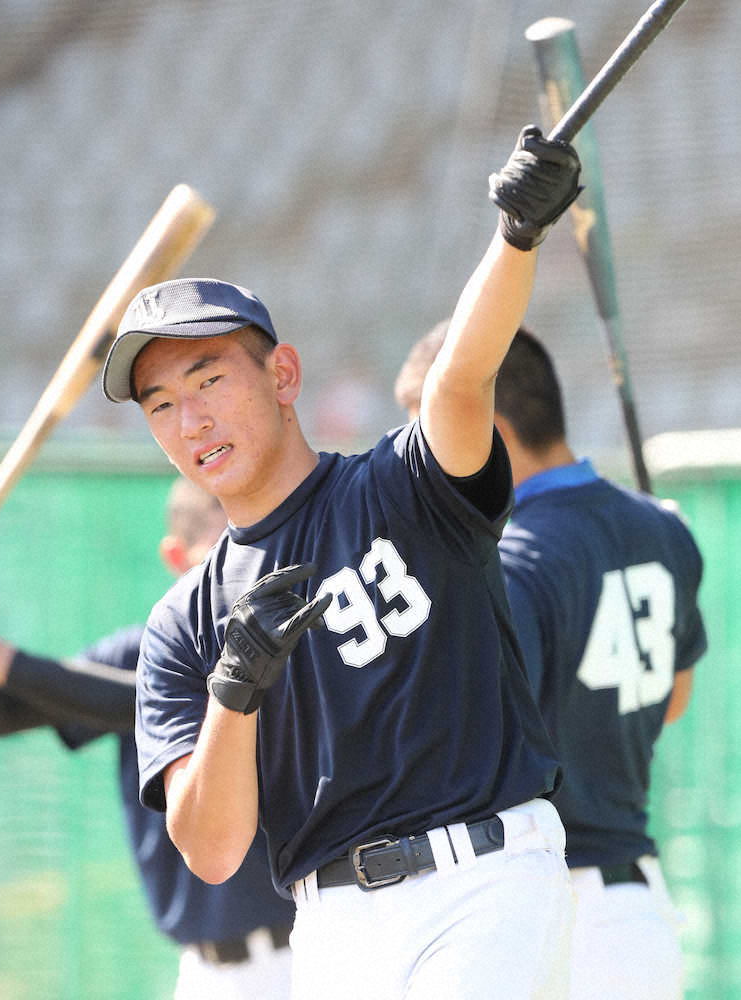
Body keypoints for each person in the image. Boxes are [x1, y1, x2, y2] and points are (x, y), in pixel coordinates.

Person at [101, 124, 582, 1000]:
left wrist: (517, 237)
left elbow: (460, 379)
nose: (190, 421)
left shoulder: (401, 484)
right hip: (327, 928)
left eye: (209, 380)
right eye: (161, 404)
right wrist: (234, 690)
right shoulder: (185, 624)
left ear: (282, 373)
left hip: (484, 881)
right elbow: (210, 851)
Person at [394, 323, 708, 1000]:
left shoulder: (507, 561)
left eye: (430, 443)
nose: (419, 474)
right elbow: (673, 699)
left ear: (491, 432)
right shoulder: (663, 527)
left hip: (546, 916)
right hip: (633, 918)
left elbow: (476, 755)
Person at [0, 477, 294, 1000]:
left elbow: (129, 701)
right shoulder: (147, 650)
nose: (241, 575)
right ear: (176, 555)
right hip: (206, 972)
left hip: (305, 953)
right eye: (221, 553)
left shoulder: (286, 648)